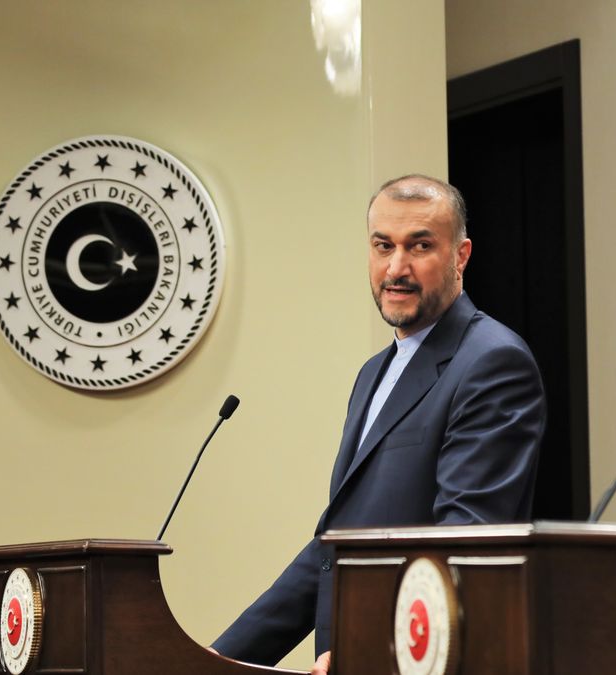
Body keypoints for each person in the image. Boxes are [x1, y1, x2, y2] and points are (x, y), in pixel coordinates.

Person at [212, 174, 546, 670]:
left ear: (461, 256)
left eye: (421, 246)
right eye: (382, 246)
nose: (396, 267)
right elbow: (335, 546)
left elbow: (463, 546)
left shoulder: (493, 362)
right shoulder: (375, 372)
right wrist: (218, 659)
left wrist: (362, 648)